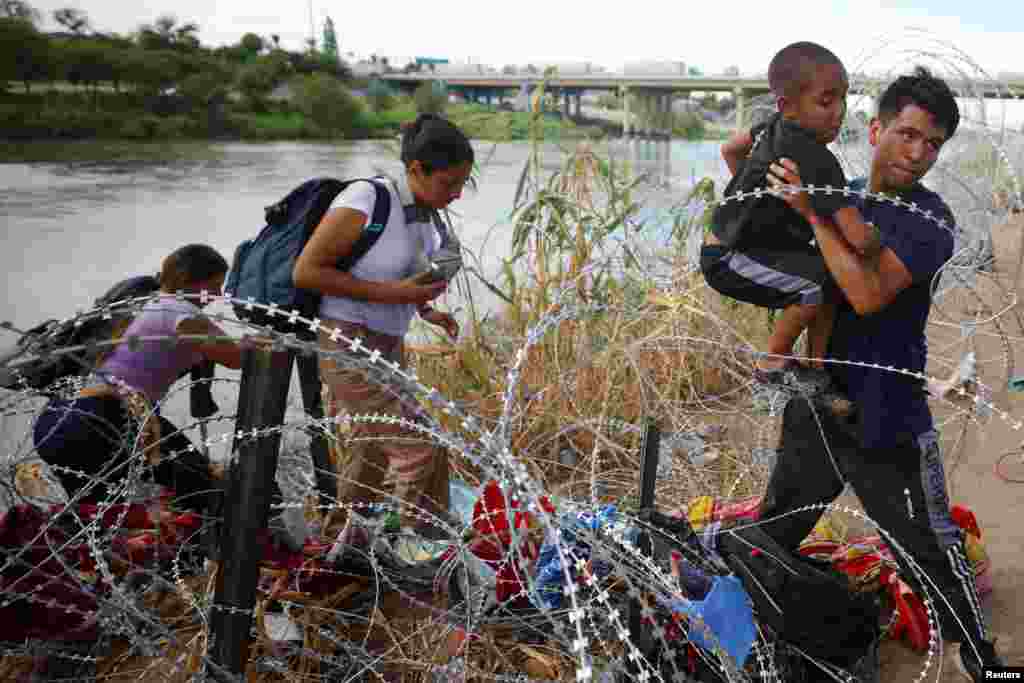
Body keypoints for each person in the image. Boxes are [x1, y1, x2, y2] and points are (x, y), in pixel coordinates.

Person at [760, 67, 1005, 680]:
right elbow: (786, 268)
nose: (918, 154)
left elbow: (868, 294)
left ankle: (985, 662)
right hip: (820, 404)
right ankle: (767, 643)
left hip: (888, 416)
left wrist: (813, 214)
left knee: (931, 552)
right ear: (875, 130)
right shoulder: (840, 196)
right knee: (771, 533)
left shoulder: (930, 220)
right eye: (908, 134)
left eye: (933, 144)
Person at [293, 113, 472, 544]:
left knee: (372, 449)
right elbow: (306, 272)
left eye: (463, 183)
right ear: (415, 170)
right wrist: (396, 295)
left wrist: (426, 309)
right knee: (421, 446)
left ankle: (344, 543)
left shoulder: (426, 216)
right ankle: (419, 547)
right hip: (345, 340)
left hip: (386, 343)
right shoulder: (367, 200)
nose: (457, 194)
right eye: (449, 183)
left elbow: (403, 279)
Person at [701, 42, 879, 391]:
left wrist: (753, 192)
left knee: (828, 274)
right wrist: (882, 233)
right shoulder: (817, 161)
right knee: (813, 286)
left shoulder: (774, 125)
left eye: (843, 99)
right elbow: (860, 240)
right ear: (788, 106)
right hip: (732, 257)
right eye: (826, 101)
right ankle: (773, 361)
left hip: (742, 246)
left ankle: (816, 364)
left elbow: (730, 149)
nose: (839, 112)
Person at [33, 244, 241, 512]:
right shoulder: (180, 312)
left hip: (58, 420)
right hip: (102, 421)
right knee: (206, 489)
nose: (217, 295)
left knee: (99, 518)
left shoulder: (140, 304)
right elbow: (236, 358)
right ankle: (217, 544)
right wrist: (269, 343)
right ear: (186, 281)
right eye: (212, 286)